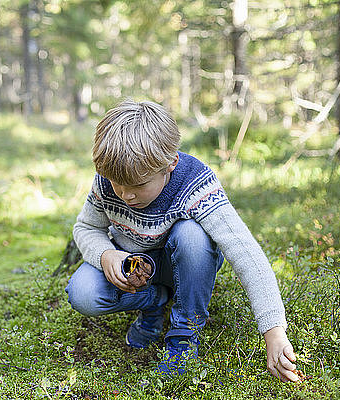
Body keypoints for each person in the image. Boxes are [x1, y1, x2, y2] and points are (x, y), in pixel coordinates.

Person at [65, 99, 299, 380]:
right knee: (83, 294)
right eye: (118, 185)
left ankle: (184, 334)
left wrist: (273, 331)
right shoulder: (109, 177)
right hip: (134, 265)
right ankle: (153, 302)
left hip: (183, 264)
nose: (126, 195)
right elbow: (86, 227)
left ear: (170, 164)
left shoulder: (195, 183)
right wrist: (106, 255)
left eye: (139, 186)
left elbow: (245, 251)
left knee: (192, 233)